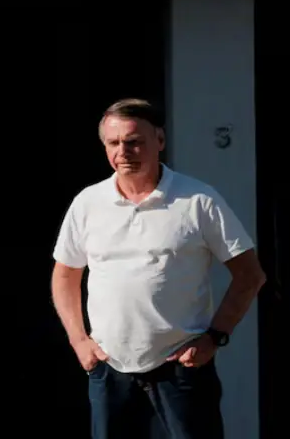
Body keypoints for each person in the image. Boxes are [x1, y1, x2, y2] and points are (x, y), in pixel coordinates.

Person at [50, 99, 266, 439]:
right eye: (114, 142)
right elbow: (65, 275)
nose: (124, 151)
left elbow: (250, 275)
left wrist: (215, 337)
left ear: (160, 141)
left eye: (135, 141)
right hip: (110, 370)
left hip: (182, 371)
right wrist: (79, 341)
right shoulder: (88, 203)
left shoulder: (198, 200)